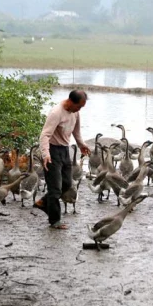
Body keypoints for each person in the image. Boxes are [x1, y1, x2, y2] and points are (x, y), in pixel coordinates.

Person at [34, 90, 91, 229]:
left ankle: (43, 202)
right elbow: (44, 135)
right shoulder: (56, 113)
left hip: (65, 150)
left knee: (66, 184)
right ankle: (55, 221)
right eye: (79, 106)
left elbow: (76, 131)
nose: (80, 109)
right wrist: (45, 154)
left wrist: (81, 144)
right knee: (55, 188)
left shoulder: (75, 112)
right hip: (52, 151)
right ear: (71, 101)